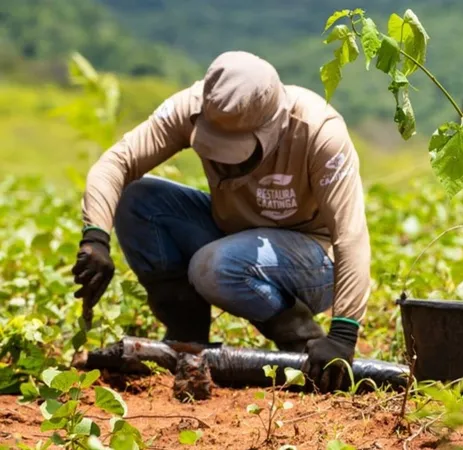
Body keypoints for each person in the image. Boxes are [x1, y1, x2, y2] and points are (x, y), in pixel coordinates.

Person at [70, 50, 371, 393]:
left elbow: (351, 236)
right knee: (137, 200)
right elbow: (116, 163)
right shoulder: (193, 106)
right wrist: (95, 237)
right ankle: (187, 335)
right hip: (234, 236)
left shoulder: (318, 132)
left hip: (312, 260)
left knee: (214, 266)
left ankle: (299, 336)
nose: (225, 165)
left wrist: (344, 333)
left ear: (272, 127)